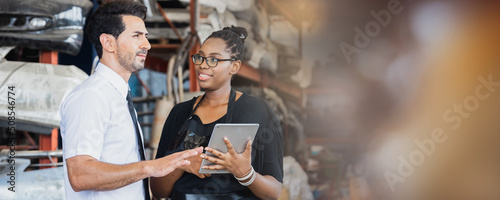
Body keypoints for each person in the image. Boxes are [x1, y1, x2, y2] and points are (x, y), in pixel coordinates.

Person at [59, 1, 202, 200]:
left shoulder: (118, 96)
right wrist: (151, 167)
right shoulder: (91, 97)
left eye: (146, 36)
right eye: (136, 36)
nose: (147, 45)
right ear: (108, 43)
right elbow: (80, 175)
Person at [151, 26, 283, 199]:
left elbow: (273, 193)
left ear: (234, 66)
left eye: (214, 60)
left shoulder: (258, 111)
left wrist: (245, 174)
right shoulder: (179, 113)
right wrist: (182, 164)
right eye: (200, 57)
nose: (203, 65)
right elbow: (158, 190)